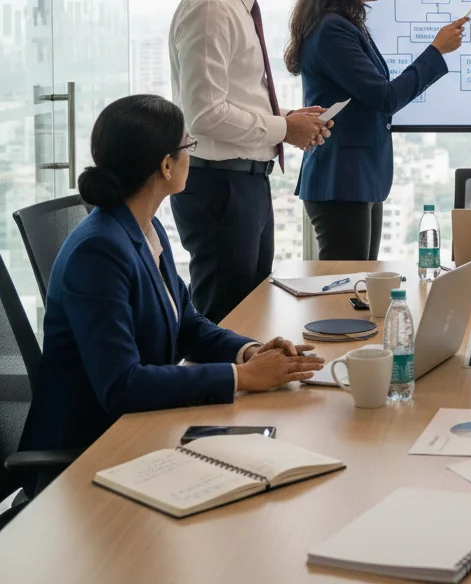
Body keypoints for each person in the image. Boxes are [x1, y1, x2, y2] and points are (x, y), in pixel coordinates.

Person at [18, 95, 323, 465]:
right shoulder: (98, 250)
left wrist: (251, 353)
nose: (191, 155)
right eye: (188, 145)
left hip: (143, 427)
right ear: (166, 165)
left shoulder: (145, 227)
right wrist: (241, 377)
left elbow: (186, 323)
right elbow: (121, 386)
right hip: (94, 449)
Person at [169, 0, 331, 322]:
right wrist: (283, 130)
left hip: (244, 183)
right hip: (220, 187)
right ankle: (218, 393)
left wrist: (286, 121)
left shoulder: (234, 4)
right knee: (229, 318)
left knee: (251, 315)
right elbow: (204, 115)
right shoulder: (211, 7)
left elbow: (233, 99)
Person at [284, 0, 467, 259]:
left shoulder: (346, 25)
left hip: (357, 178)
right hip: (341, 180)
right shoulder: (332, 30)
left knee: (358, 281)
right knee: (344, 285)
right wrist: (436, 51)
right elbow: (384, 97)